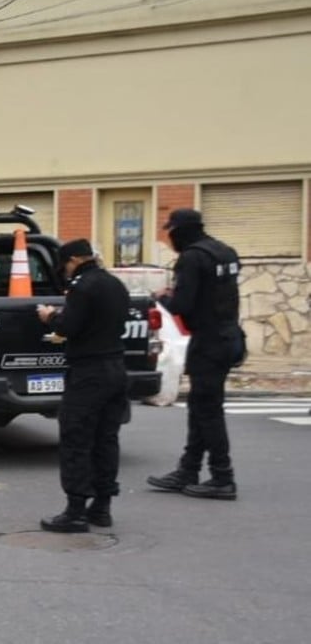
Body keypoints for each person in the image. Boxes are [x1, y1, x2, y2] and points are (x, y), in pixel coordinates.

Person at [36, 239, 131, 533]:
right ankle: (102, 507)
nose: (64, 271)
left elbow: (68, 326)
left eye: (65, 264)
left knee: (76, 439)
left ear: (74, 260)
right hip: (116, 368)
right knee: (106, 439)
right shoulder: (115, 284)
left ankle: (75, 510)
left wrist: (50, 316)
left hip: (89, 371)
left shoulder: (82, 286)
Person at [148, 209, 243, 500]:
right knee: (202, 407)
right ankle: (188, 470)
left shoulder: (192, 258)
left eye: (171, 231)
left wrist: (163, 296)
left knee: (208, 411)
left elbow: (182, 305)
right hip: (229, 336)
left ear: (181, 231)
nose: (170, 237)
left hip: (209, 341)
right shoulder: (225, 252)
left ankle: (222, 476)